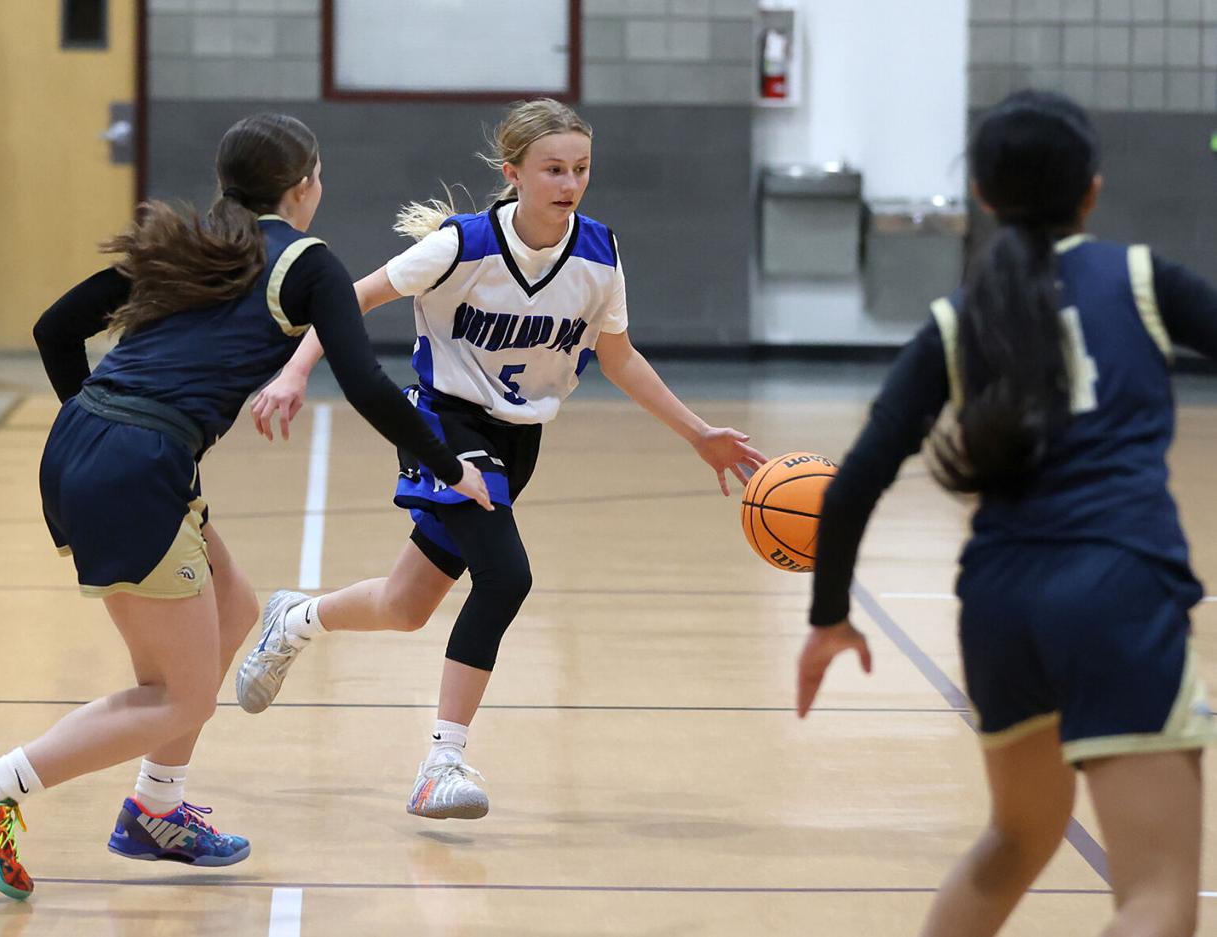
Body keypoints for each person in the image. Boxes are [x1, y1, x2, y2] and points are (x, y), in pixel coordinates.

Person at [0, 113, 490, 899]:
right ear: (303, 187)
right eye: (319, 176)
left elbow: (56, 329)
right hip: (137, 462)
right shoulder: (309, 262)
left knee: (234, 610)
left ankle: (155, 809)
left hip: (105, 446)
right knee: (176, 694)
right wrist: (446, 464)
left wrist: (94, 419)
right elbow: (363, 382)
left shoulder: (185, 240)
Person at [234, 98, 767, 820]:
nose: (569, 182)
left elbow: (619, 357)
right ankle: (441, 760)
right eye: (553, 168)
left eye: (580, 168)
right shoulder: (462, 245)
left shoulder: (599, 253)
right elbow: (351, 298)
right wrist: (296, 371)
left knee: (406, 605)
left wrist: (698, 432)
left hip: (519, 440)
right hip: (447, 424)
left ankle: (294, 619)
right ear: (514, 172)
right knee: (507, 575)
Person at [796, 90, 1217, 937]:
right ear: (1090, 191)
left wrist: (829, 618)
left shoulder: (959, 319)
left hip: (1000, 602)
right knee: (1157, 900)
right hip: (1119, 587)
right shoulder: (1139, 278)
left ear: (983, 199)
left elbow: (852, 483)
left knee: (1016, 837)